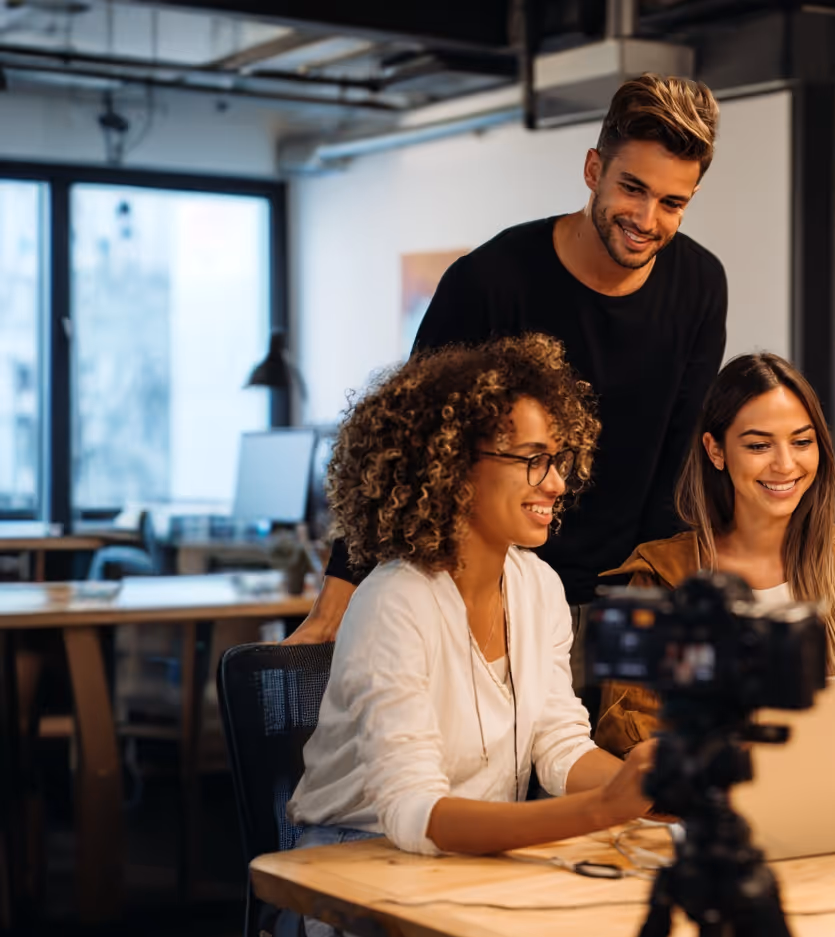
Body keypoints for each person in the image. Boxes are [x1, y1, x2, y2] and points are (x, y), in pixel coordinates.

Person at [286, 74, 729, 694]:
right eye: (632, 188)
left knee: (625, 780)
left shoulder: (701, 285)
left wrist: (656, 597)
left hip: (626, 601)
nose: (646, 220)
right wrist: (338, 594)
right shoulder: (491, 280)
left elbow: (680, 456)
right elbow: (405, 447)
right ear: (593, 168)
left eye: (673, 203)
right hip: (492, 598)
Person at [279, 335, 654, 937]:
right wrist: (604, 809)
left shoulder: (536, 585)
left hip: (473, 859)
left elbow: (557, 745)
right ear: (451, 467)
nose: (558, 483)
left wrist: (654, 789)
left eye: (560, 459)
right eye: (533, 460)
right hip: (357, 880)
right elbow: (414, 814)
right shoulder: (393, 600)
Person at [592, 352, 835, 757]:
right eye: (758, 445)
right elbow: (631, 743)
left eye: (802, 442)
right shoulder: (662, 578)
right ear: (715, 451)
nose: (785, 465)